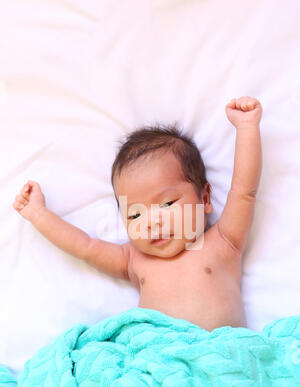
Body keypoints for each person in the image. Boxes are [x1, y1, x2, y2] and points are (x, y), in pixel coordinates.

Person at [13, 96, 262, 331]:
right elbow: (85, 247)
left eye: (166, 204)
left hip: (221, 358)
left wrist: (247, 127)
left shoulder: (224, 240)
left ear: (205, 198)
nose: (151, 222)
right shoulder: (134, 259)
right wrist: (39, 214)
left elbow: (244, 191)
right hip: (157, 362)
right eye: (135, 216)